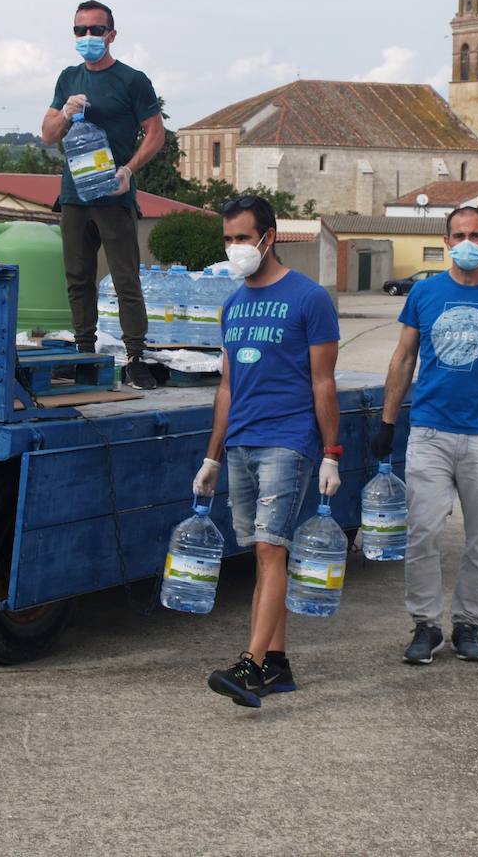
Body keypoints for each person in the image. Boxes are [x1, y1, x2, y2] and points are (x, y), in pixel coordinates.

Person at [373, 206, 478, 664]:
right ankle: (425, 626)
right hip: (429, 432)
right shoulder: (425, 293)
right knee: (423, 532)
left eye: (475, 234)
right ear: (447, 241)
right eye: (458, 234)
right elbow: (403, 359)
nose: (466, 241)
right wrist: (387, 423)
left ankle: (468, 624)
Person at [192, 195, 342, 708]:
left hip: (289, 438)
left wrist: (331, 452)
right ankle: (277, 664)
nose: (235, 247)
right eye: (228, 238)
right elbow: (228, 388)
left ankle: (250, 666)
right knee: (262, 555)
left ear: (268, 237)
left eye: (242, 237)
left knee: (269, 548)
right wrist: (212, 456)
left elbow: (324, 382)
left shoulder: (309, 298)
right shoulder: (232, 305)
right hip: (240, 442)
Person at [40, 0, 165, 390]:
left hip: (113, 195)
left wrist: (128, 169)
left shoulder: (132, 80)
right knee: (78, 279)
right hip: (74, 195)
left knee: (126, 280)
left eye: (96, 30)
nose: (89, 37)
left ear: (111, 35)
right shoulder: (68, 78)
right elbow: (47, 134)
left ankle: (135, 357)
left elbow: (156, 132)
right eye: (81, 30)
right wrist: (64, 112)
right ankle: (84, 354)